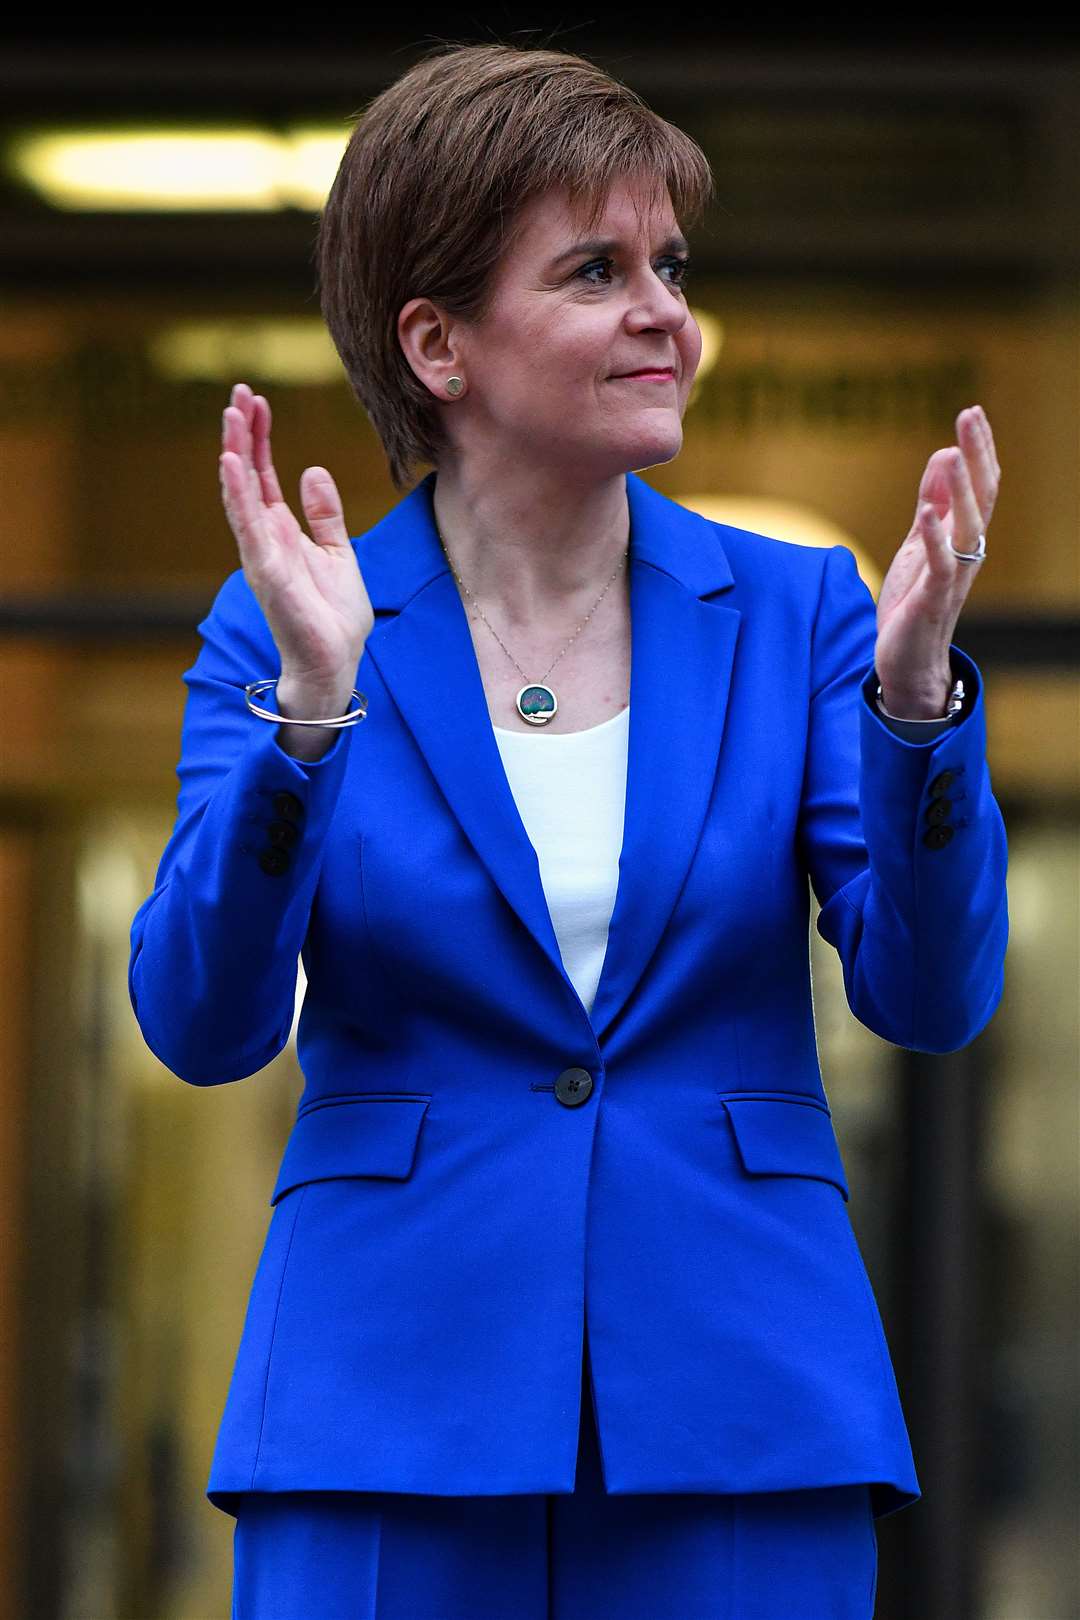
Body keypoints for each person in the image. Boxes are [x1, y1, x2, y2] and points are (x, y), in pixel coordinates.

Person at [127, 40, 1009, 1620]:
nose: (666, 311)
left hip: (742, 1406)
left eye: (671, 263)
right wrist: (315, 715)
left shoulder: (803, 611)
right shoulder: (286, 632)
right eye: (597, 270)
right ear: (439, 344)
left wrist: (920, 706)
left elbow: (930, 1000)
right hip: (384, 1407)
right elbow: (201, 1028)